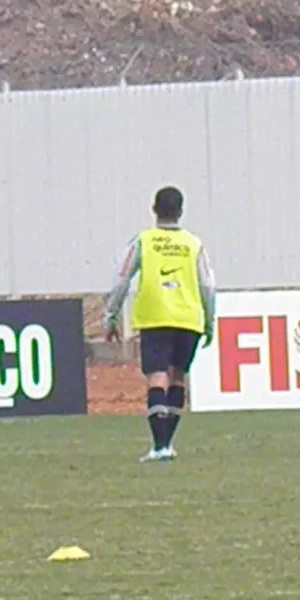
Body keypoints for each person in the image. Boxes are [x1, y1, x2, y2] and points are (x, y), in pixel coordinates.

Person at [105, 185, 217, 462]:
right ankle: (167, 444)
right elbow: (208, 285)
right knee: (178, 376)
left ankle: (160, 446)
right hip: (188, 317)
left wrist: (111, 314)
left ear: (154, 209)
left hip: (155, 317)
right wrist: (209, 320)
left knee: (157, 376)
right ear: (181, 212)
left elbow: (122, 278)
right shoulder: (194, 244)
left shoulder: (143, 241)